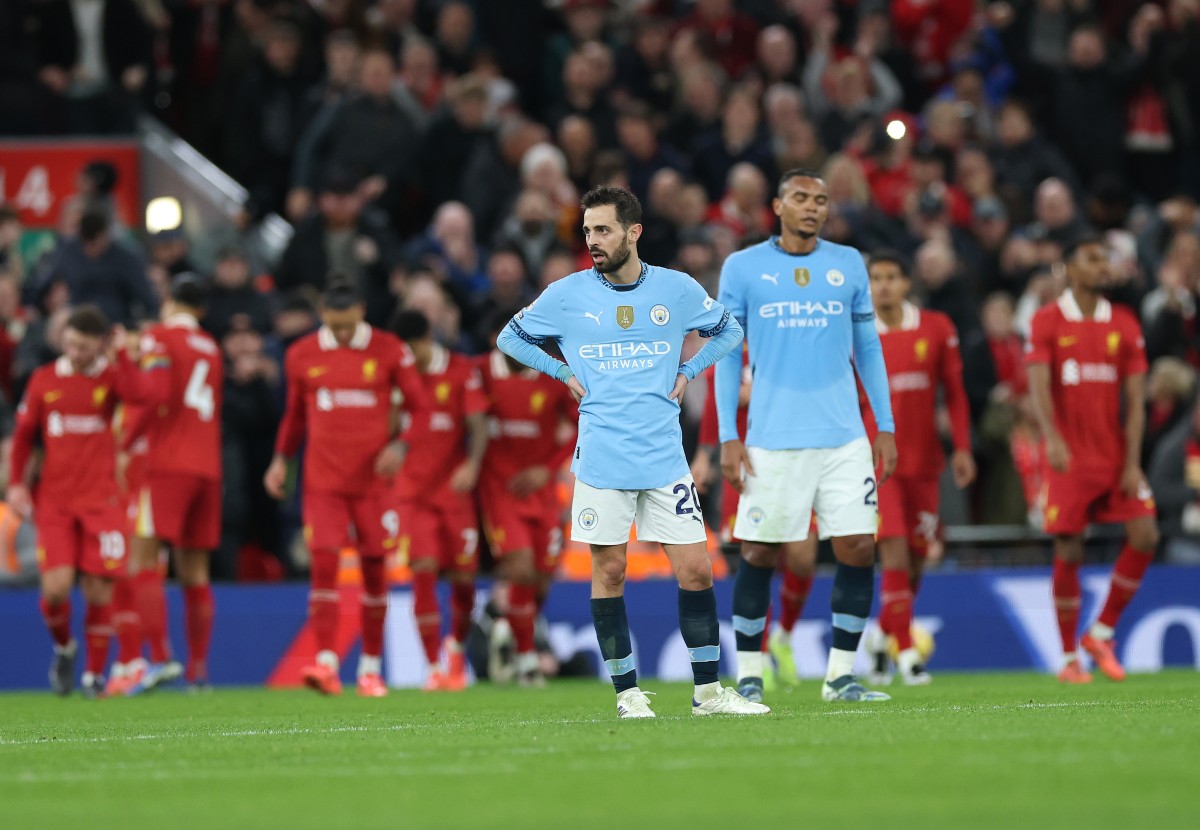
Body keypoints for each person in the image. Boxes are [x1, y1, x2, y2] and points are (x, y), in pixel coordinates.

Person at [497, 185, 764, 718]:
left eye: (603, 230)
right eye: (588, 231)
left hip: (665, 456)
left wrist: (689, 370)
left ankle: (708, 694)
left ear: (633, 232)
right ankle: (626, 695)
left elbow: (729, 330)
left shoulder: (676, 289)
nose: (593, 241)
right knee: (610, 571)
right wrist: (563, 372)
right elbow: (511, 337)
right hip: (601, 458)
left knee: (697, 571)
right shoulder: (567, 293)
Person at [716, 168, 898, 704]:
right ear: (777, 205)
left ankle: (840, 676)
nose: (813, 207)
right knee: (759, 554)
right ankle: (749, 672)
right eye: (800, 198)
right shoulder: (743, 268)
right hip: (772, 438)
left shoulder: (848, 264)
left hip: (844, 437)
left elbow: (868, 348)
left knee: (860, 547)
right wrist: (729, 434)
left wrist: (883, 425)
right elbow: (728, 354)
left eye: (821, 200)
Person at [265, 282, 428, 698]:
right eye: (333, 325)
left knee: (375, 570)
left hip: (374, 484)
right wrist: (280, 460)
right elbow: (294, 417)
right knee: (323, 563)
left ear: (361, 310)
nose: (339, 334)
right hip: (323, 483)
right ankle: (325, 663)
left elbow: (421, 406)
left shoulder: (390, 349)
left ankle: (371, 669)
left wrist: (401, 444)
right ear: (323, 313)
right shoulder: (301, 353)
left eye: (347, 325)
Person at [1026, 235, 1159, 684]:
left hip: (1115, 455)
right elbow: (1038, 386)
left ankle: (1100, 633)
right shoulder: (1047, 320)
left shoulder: (1124, 322)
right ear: (1069, 269)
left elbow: (1137, 401)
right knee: (1069, 546)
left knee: (1145, 534)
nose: (1104, 267)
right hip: (1069, 456)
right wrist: (1053, 439)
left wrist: (1133, 460)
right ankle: (1067, 658)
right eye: (1092, 258)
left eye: (1106, 259)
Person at [859, 251, 976, 686]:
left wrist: (962, 448)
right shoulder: (857, 333)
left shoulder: (937, 328)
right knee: (893, 551)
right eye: (877, 278)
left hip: (925, 462)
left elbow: (956, 393)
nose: (885, 285)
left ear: (907, 283)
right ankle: (907, 655)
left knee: (917, 560)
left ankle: (879, 637)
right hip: (876, 463)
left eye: (893, 277)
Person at [8, 306, 130, 697]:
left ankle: (95, 676)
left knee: (98, 590)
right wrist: (16, 484)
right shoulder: (44, 380)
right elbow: (24, 436)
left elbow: (148, 395)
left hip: (102, 499)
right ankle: (64, 647)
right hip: (56, 502)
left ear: (99, 344)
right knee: (56, 591)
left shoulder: (113, 380)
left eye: (82, 346)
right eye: (68, 344)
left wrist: (123, 355)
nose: (73, 351)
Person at [114, 275, 223, 692]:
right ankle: (199, 671)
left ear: (168, 302)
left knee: (142, 561)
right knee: (195, 572)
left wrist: (126, 443)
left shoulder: (159, 338)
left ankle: (160, 657)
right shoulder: (211, 347)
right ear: (201, 310)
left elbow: (154, 394)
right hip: (208, 468)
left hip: (167, 464)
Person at [691, 344, 816, 692]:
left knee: (803, 558)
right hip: (747, 463)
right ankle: (757, 658)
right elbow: (718, 402)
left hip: (797, 457)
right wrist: (704, 455)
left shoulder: (789, 340)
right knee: (760, 555)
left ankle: (785, 636)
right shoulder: (731, 349)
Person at [390, 309, 489, 692]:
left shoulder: (461, 370)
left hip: (454, 492)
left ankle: (456, 649)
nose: (407, 357)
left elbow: (478, 424)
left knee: (464, 580)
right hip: (413, 493)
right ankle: (433, 666)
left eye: (411, 349)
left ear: (425, 340)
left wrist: (473, 465)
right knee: (424, 571)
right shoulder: (399, 374)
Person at [478, 308, 578, 687]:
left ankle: (506, 625)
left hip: (541, 493)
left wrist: (549, 465)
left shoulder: (551, 374)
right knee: (519, 569)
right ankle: (526, 661)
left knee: (539, 579)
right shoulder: (479, 375)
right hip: (500, 491)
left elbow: (582, 416)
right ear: (496, 341)